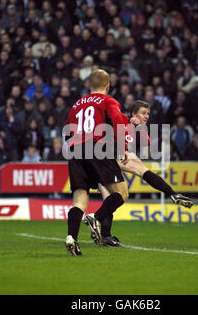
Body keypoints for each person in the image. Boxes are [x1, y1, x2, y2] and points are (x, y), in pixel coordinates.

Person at [85, 100, 194, 246]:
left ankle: (105, 235)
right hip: (101, 158)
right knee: (125, 183)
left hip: (109, 159)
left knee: (115, 193)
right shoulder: (121, 120)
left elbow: (141, 146)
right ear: (133, 114)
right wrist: (130, 124)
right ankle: (101, 228)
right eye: (143, 113)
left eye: (148, 113)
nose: (146, 116)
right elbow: (107, 130)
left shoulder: (141, 132)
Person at [63, 69, 130, 256]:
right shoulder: (108, 101)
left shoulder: (76, 104)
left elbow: (67, 131)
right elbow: (118, 121)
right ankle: (96, 217)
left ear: (89, 86)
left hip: (76, 150)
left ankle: (71, 238)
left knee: (79, 200)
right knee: (122, 193)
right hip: (98, 147)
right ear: (108, 86)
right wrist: (123, 146)